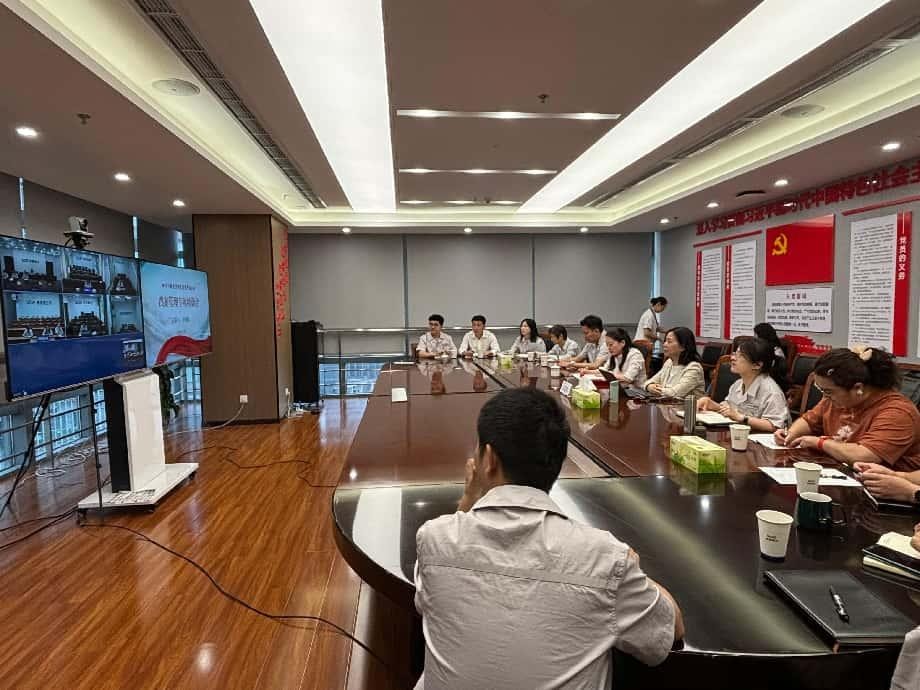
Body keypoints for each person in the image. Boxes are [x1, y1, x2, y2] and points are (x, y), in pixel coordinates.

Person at [414, 388, 684, 689]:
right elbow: (670, 628)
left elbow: (428, 597)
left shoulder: (434, 539)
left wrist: (469, 497)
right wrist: (627, 565)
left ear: (488, 459)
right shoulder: (604, 557)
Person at [774, 347, 920, 471]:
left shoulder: (897, 413)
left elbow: (865, 456)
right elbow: (809, 420)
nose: (825, 396)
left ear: (858, 388)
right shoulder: (834, 399)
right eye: (821, 389)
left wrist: (819, 443)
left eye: (828, 391)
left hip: (885, 485)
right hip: (840, 470)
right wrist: (790, 434)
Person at [696, 337, 789, 431]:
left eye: (740, 356)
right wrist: (712, 404)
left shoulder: (772, 392)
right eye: (735, 353)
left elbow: (775, 426)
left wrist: (742, 418)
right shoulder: (738, 384)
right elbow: (730, 410)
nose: (732, 358)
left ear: (757, 365)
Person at [643, 327, 706, 399]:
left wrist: (655, 389)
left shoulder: (694, 368)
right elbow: (648, 382)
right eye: (665, 341)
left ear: (682, 347)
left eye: (669, 342)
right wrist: (649, 386)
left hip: (688, 406)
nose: (664, 344)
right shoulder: (669, 362)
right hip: (667, 404)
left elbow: (674, 393)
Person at [753, 322, 789, 391]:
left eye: (756, 335)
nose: (754, 338)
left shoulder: (776, 352)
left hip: (773, 384)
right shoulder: (760, 349)